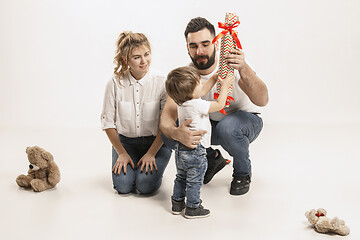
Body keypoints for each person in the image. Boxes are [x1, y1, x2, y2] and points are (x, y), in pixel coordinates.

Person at [160, 17, 269, 195]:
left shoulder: (232, 64)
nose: (200, 51)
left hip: (243, 123)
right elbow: (166, 117)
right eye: (193, 46)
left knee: (228, 127)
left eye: (205, 44)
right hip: (211, 126)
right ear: (187, 49)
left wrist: (244, 68)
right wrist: (176, 133)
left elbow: (263, 100)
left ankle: (242, 171)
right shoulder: (186, 77)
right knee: (168, 135)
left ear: (216, 44)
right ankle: (211, 159)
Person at [101, 31, 171, 195]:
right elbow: (108, 123)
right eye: (137, 57)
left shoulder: (162, 81)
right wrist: (122, 153)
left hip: (156, 143)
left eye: (146, 54)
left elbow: (166, 122)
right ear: (126, 59)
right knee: (123, 187)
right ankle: (134, 165)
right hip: (126, 144)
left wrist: (151, 153)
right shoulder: (114, 83)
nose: (144, 61)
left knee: (145, 187)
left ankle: (151, 173)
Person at [166, 66, 234, 218]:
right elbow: (219, 104)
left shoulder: (183, 102)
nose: (201, 86)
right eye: (198, 83)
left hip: (181, 150)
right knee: (195, 180)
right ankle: (193, 207)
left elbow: (201, 91)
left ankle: (177, 203)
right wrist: (226, 85)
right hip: (196, 151)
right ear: (191, 92)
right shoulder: (197, 104)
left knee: (181, 177)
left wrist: (213, 79)